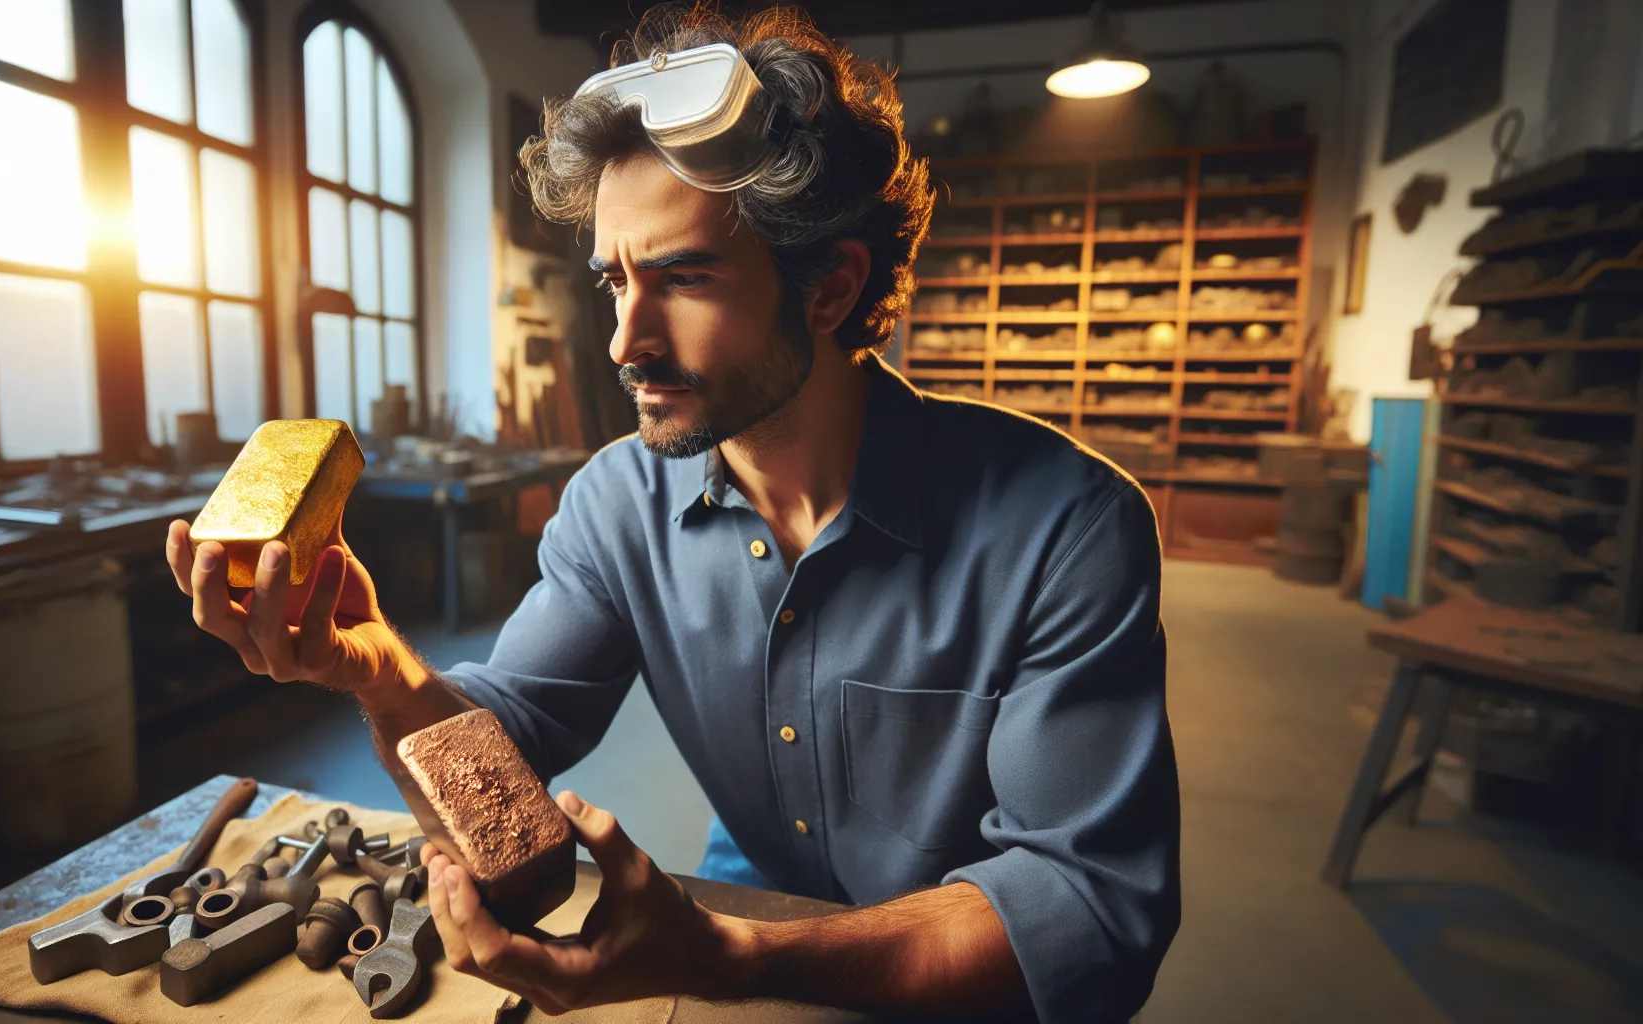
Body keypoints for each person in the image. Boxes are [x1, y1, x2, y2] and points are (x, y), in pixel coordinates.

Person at [166, 5, 1178, 1020]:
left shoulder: (1067, 528)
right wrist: (380, 670)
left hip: (960, 982)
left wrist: (739, 957)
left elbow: (1084, 910)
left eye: (684, 277)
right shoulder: (617, 504)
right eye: (614, 280)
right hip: (743, 926)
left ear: (829, 291)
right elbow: (500, 754)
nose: (623, 340)